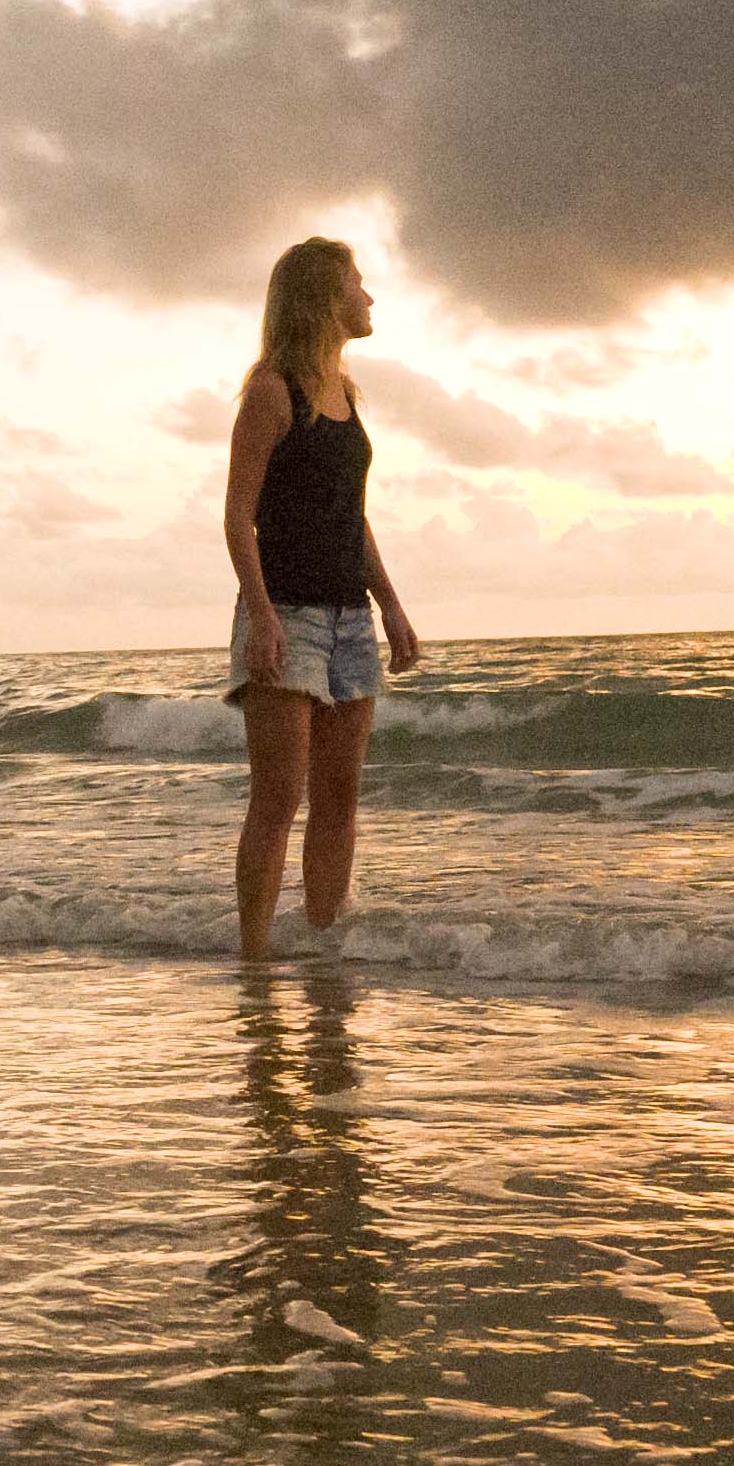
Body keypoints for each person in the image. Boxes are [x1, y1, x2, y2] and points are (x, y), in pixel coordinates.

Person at [222, 235, 423, 957]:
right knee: (279, 798)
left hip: (348, 615)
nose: (368, 296)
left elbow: (350, 514)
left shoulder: (346, 389)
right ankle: (255, 962)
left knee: (338, 799)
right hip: (290, 616)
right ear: (322, 297)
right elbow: (238, 515)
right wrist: (264, 615)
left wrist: (390, 603)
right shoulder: (274, 389)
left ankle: (322, 948)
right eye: (357, 284)